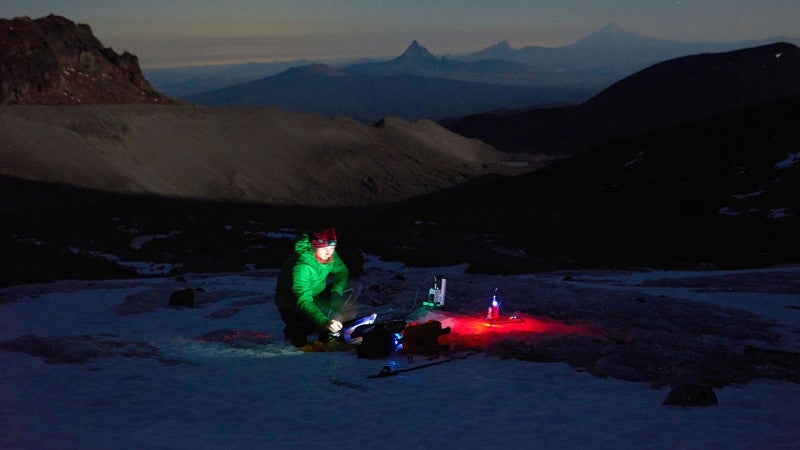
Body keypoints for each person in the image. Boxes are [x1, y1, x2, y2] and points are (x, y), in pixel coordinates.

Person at [274, 226, 361, 347]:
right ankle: (300, 330)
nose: (329, 252)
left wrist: (336, 292)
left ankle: (333, 326)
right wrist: (324, 321)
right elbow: (303, 300)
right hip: (292, 305)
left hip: (317, 296)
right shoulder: (302, 266)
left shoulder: (330, 255)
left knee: (354, 285)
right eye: (324, 248)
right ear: (314, 246)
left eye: (332, 248)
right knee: (325, 320)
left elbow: (342, 271)